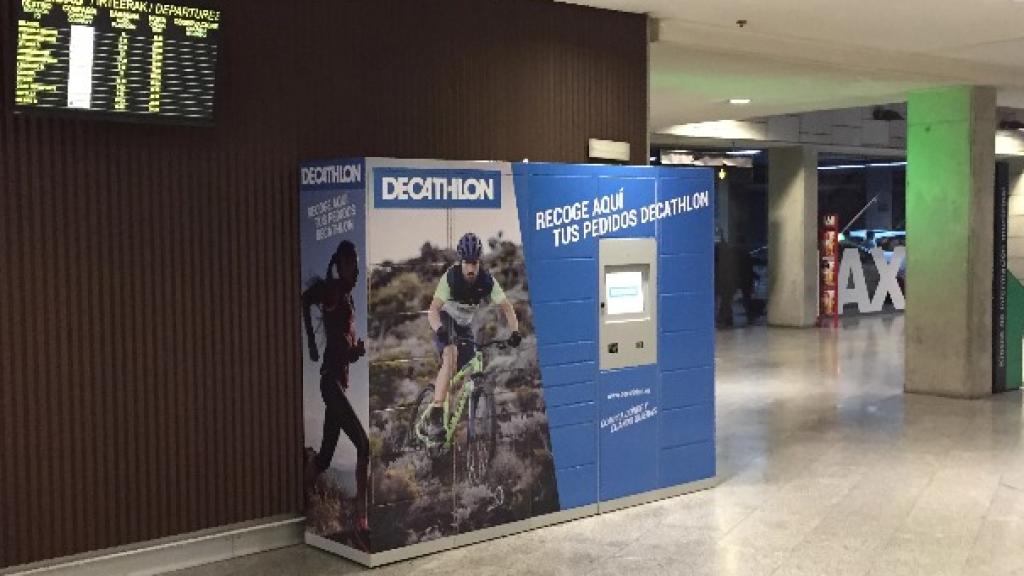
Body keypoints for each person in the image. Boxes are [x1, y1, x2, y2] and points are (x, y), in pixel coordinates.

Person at [421, 233, 521, 441]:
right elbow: (433, 310)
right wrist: (439, 329)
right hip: (445, 319)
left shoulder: (487, 280)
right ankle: (436, 415)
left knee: (469, 365)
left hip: (464, 326)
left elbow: (507, 307)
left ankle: (455, 404)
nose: (470, 268)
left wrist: (515, 332)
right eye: (466, 262)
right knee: (450, 357)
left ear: (479, 262)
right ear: (461, 261)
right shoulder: (451, 277)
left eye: (474, 263)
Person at [302, 240, 369, 538]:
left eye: (356, 263)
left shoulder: (348, 300)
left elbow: (344, 350)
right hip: (330, 383)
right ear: (341, 265)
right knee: (364, 445)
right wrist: (311, 343)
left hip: (338, 383)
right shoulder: (334, 290)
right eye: (351, 264)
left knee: (325, 459)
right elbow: (305, 299)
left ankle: (303, 492)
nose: (356, 269)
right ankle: (362, 518)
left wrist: (356, 352)